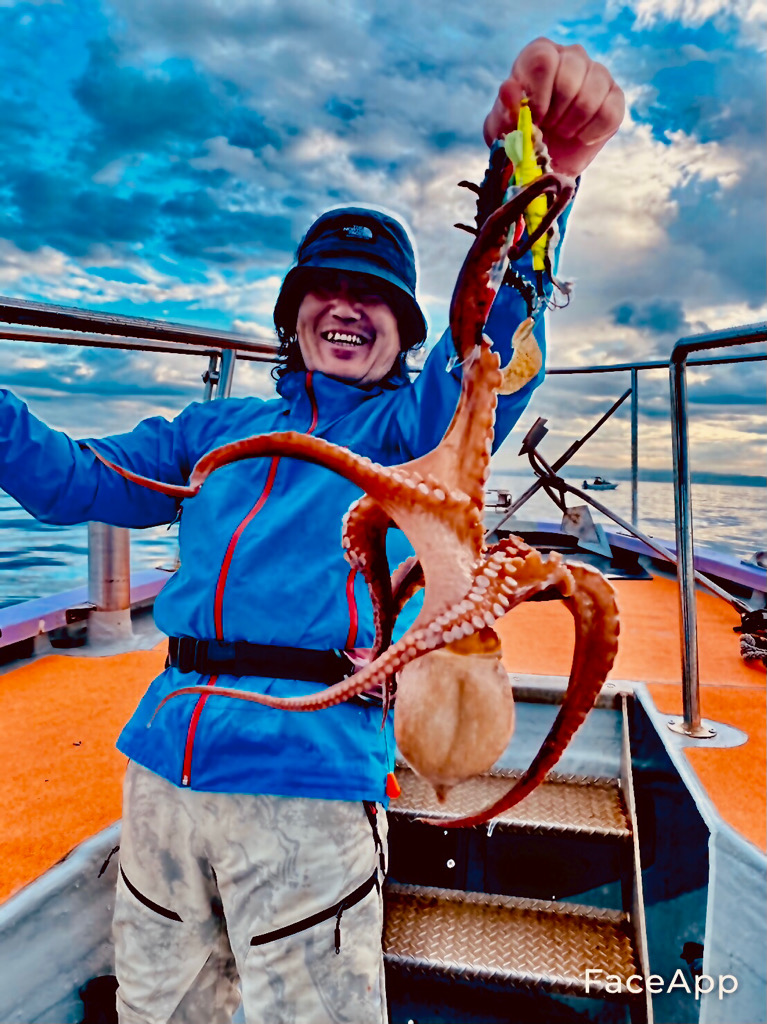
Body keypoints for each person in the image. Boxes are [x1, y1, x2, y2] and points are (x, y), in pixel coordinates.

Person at [0, 38, 623, 1024]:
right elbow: (73, 479)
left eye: (374, 296)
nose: (345, 306)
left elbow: (493, 350)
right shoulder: (212, 431)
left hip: (312, 776)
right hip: (164, 767)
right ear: (292, 317)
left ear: (405, 333)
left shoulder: (412, 430)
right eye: (324, 289)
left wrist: (536, 187)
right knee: (159, 1006)